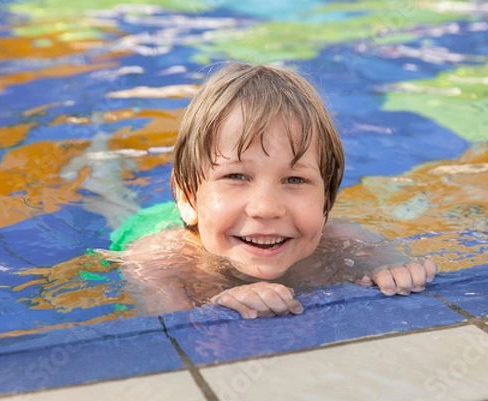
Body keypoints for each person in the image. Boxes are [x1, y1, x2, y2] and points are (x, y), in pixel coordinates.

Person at [119, 62, 437, 319]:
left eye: (295, 180)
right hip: (141, 221)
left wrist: (394, 274)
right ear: (188, 197)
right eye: (236, 176)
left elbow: (395, 271)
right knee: (114, 199)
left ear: (327, 199)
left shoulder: (349, 245)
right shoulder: (157, 263)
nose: (266, 208)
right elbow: (172, 341)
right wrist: (216, 308)